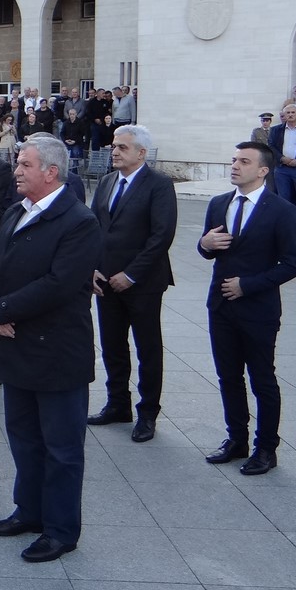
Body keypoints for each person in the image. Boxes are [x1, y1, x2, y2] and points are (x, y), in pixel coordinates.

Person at [0, 134, 101, 563]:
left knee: (61, 449)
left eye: (24, 165)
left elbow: (59, 284)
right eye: (17, 163)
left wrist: (3, 309)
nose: (15, 171)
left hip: (56, 354)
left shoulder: (79, 221)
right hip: (15, 346)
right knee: (24, 439)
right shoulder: (17, 210)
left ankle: (60, 530)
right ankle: (28, 511)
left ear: (51, 172)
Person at [198, 142, 296, 476]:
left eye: (244, 161)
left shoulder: (281, 210)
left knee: (262, 379)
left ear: (263, 170)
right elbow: (209, 249)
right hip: (221, 306)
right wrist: (204, 244)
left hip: (259, 310)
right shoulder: (219, 203)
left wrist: (248, 285)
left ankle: (266, 449)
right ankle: (236, 440)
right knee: (228, 376)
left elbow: (292, 264)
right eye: (234, 160)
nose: (235, 166)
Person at [88, 126, 178, 443]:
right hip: (106, 281)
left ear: (141, 153)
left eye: (122, 147)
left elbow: (161, 236)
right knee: (112, 346)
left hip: (143, 283)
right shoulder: (107, 182)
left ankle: (148, 413)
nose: (114, 151)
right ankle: (117, 404)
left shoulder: (159, 185)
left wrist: (131, 274)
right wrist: (92, 268)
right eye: (114, 146)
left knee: (147, 349)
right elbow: (94, 227)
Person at [268, 103, 296, 236]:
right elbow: (271, 146)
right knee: (284, 198)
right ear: (284, 115)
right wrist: (282, 158)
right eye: (287, 113)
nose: (290, 115)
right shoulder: (276, 130)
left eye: (293, 112)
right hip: (282, 169)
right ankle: (285, 225)